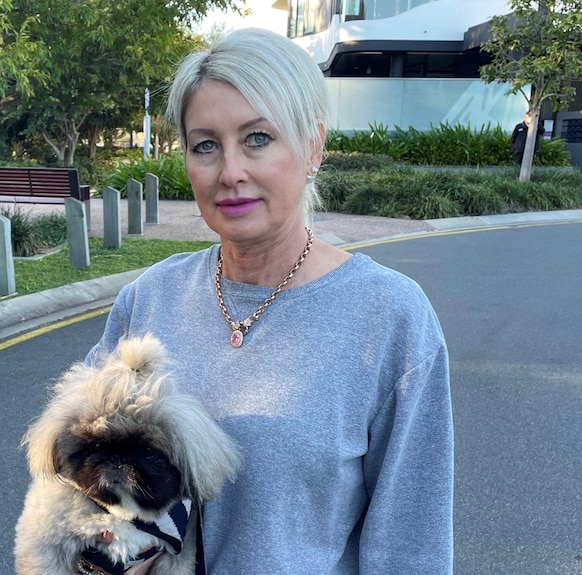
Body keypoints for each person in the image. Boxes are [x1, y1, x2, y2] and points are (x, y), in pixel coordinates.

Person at [84, 27, 453, 574]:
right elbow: (76, 470)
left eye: (257, 138)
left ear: (313, 147)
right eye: (205, 144)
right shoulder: (149, 299)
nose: (230, 172)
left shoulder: (390, 317)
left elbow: (411, 545)